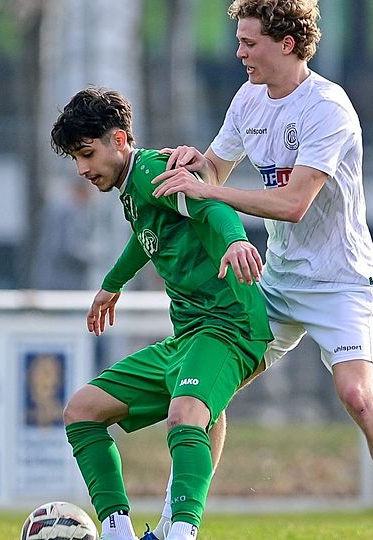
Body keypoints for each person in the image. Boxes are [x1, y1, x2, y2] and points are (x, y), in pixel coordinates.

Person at [147, 1, 373, 539]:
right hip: (277, 281)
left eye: (249, 42)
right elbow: (216, 169)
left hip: (340, 280)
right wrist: (195, 163)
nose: (239, 53)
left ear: (286, 43)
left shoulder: (327, 107)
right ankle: (173, 526)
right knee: (208, 390)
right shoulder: (248, 98)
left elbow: (293, 204)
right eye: (238, 41)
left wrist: (210, 191)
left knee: (357, 396)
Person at [51, 87, 272, 540]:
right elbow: (146, 235)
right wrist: (112, 283)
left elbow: (211, 205)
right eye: (75, 159)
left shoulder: (153, 171)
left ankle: (181, 534)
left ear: (118, 139)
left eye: (87, 154)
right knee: (82, 411)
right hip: (188, 335)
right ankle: (118, 533)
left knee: (186, 413)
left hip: (228, 326)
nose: (82, 169)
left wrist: (236, 240)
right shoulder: (133, 188)